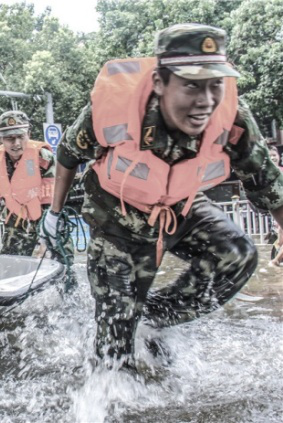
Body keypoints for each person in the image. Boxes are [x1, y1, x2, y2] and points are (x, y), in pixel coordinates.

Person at [43, 24, 283, 369]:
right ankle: (120, 335)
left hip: (179, 206)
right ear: (159, 82)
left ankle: (152, 318)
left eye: (216, 84)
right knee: (114, 352)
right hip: (117, 218)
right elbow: (67, 154)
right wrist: (53, 213)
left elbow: (267, 179)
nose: (206, 101)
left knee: (237, 255)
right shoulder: (112, 109)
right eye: (191, 85)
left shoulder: (233, 117)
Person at [0, 111, 56, 257]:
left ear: (29, 133)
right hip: (17, 220)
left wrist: (46, 237)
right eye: (10, 138)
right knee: (10, 263)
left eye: (21, 137)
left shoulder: (43, 158)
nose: (16, 144)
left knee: (59, 265)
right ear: (1, 139)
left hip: (48, 218)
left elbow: (51, 199)